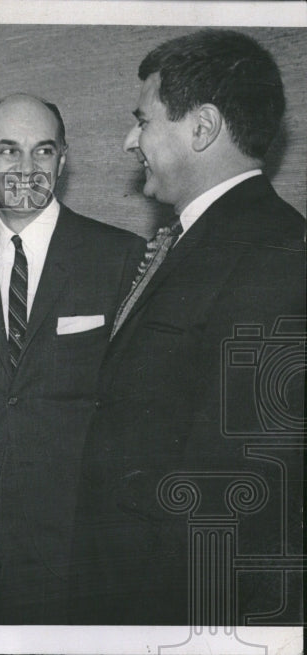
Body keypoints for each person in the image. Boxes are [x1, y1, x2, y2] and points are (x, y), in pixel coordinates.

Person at [71, 29, 306, 625]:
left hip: (171, 604)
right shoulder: (198, 238)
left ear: (201, 128)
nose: (131, 141)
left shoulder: (275, 252)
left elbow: (241, 489)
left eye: (143, 121)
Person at [0, 94, 145, 623]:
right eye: (7, 151)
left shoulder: (120, 256)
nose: (27, 169)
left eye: (43, 151)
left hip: (75, 538)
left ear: (63, 159)